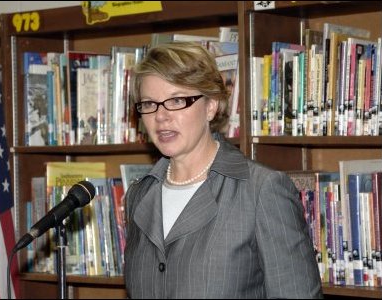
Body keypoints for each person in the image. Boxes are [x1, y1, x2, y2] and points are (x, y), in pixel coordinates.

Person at [124, 41, 323, 299]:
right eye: (149, 104)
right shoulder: (139, 196)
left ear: (211, 106)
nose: (161, 116)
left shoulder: (261, 190)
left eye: (176, 100)